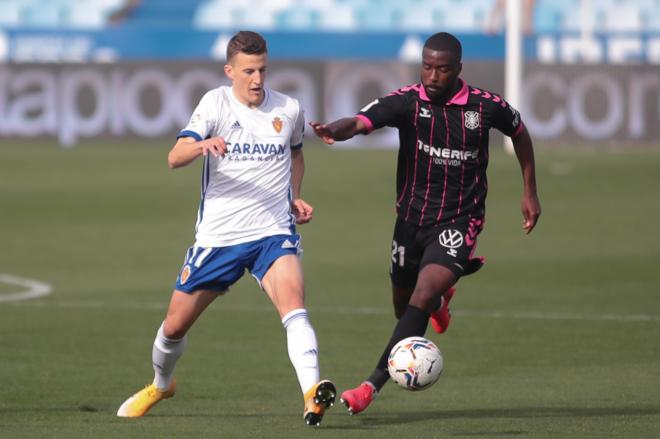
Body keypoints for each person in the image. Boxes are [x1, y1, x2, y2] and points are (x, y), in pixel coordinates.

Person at [310, 31, 541, 415]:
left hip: (459, 219)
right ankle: (440, 300)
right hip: (411, 220)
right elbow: (361, 120)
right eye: (428, 67)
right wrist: (334, 131)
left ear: (459, 70)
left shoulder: (485, 107)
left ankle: (370, 386)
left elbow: (520, 133)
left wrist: (529, 191)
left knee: (420, 294)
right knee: (406, 307)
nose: (433, 76)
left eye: (443, 69)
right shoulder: (408, 101)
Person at [117, 31, 336, 427]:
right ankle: (161, 384)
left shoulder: (288, 109)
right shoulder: (214, 103)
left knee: (294, 305)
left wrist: (294, 196)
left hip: (273, 231)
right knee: (174, 326)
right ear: (230, 71)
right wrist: (203, 145)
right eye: (248, 71)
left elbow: (296, 154)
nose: (257, 79)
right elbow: (174, 157)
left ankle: (311, 394)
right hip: (219, 239)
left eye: (263, 70)